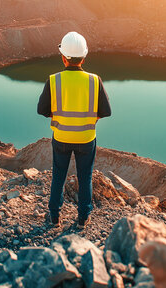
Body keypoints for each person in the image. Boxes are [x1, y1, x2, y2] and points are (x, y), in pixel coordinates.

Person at [37, 32, 111, 229]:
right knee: (85, 177)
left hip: (61, 137)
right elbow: (106, 111)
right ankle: (83, 218)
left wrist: (58, 117)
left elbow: (41, 110)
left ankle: (54, 217)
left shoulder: (54, 80)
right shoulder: (95, 80)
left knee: (58, 176)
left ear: (63, 57)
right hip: (86, 139)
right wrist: (89, 119)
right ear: (84, 57)